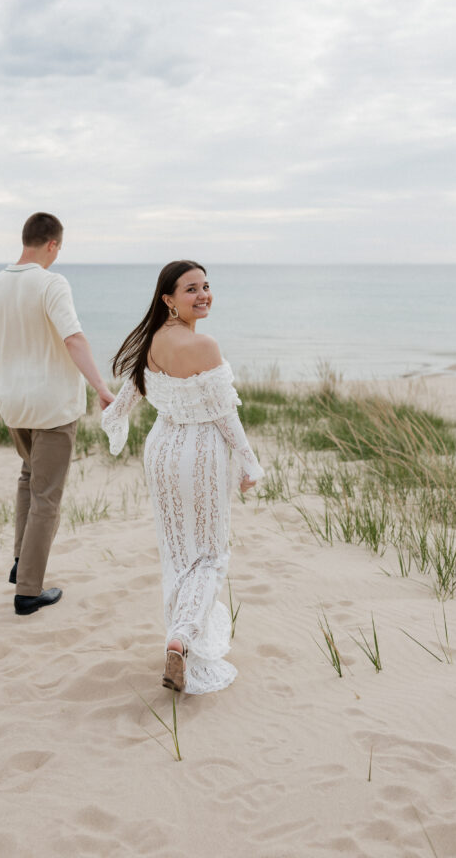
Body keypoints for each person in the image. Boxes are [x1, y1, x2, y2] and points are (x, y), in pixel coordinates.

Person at [101, 260, 264, 694]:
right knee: (209, 555)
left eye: (206, 286)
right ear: (168, 300)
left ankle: (180, 635)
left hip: (161, 453)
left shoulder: (153, 342)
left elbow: (128, 395)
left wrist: (115, 424)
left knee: (178, 554)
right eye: (191, 289)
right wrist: (248, 462)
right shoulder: (204, 346)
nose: (203, 294)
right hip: (200, 454)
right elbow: (224, 412)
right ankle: (182, 636)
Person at [0, 212, 114, 616]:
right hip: (52, 406)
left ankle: (22, 563)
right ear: (52, 244)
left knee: (29, 478)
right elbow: (73, 338)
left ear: (26, 239)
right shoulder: (52, 282)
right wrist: (101, 388)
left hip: (13, 405)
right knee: (46, 494)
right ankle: (29, 591)